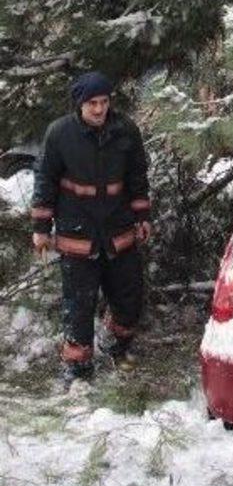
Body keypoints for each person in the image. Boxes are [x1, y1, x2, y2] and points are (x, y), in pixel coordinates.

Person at [30, 71, 152, 386]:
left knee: (129, 297)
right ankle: (79, 369)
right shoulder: (59, 134)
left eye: (104, 102)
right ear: (79, 104)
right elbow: (45, 180)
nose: (99, 109)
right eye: (92, 103)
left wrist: (142, 216)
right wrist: (41, 227)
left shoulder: (126, 130)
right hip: (77, 233)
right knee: (79, 305)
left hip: (119, 230)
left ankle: (117, 345)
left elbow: (138, 178)